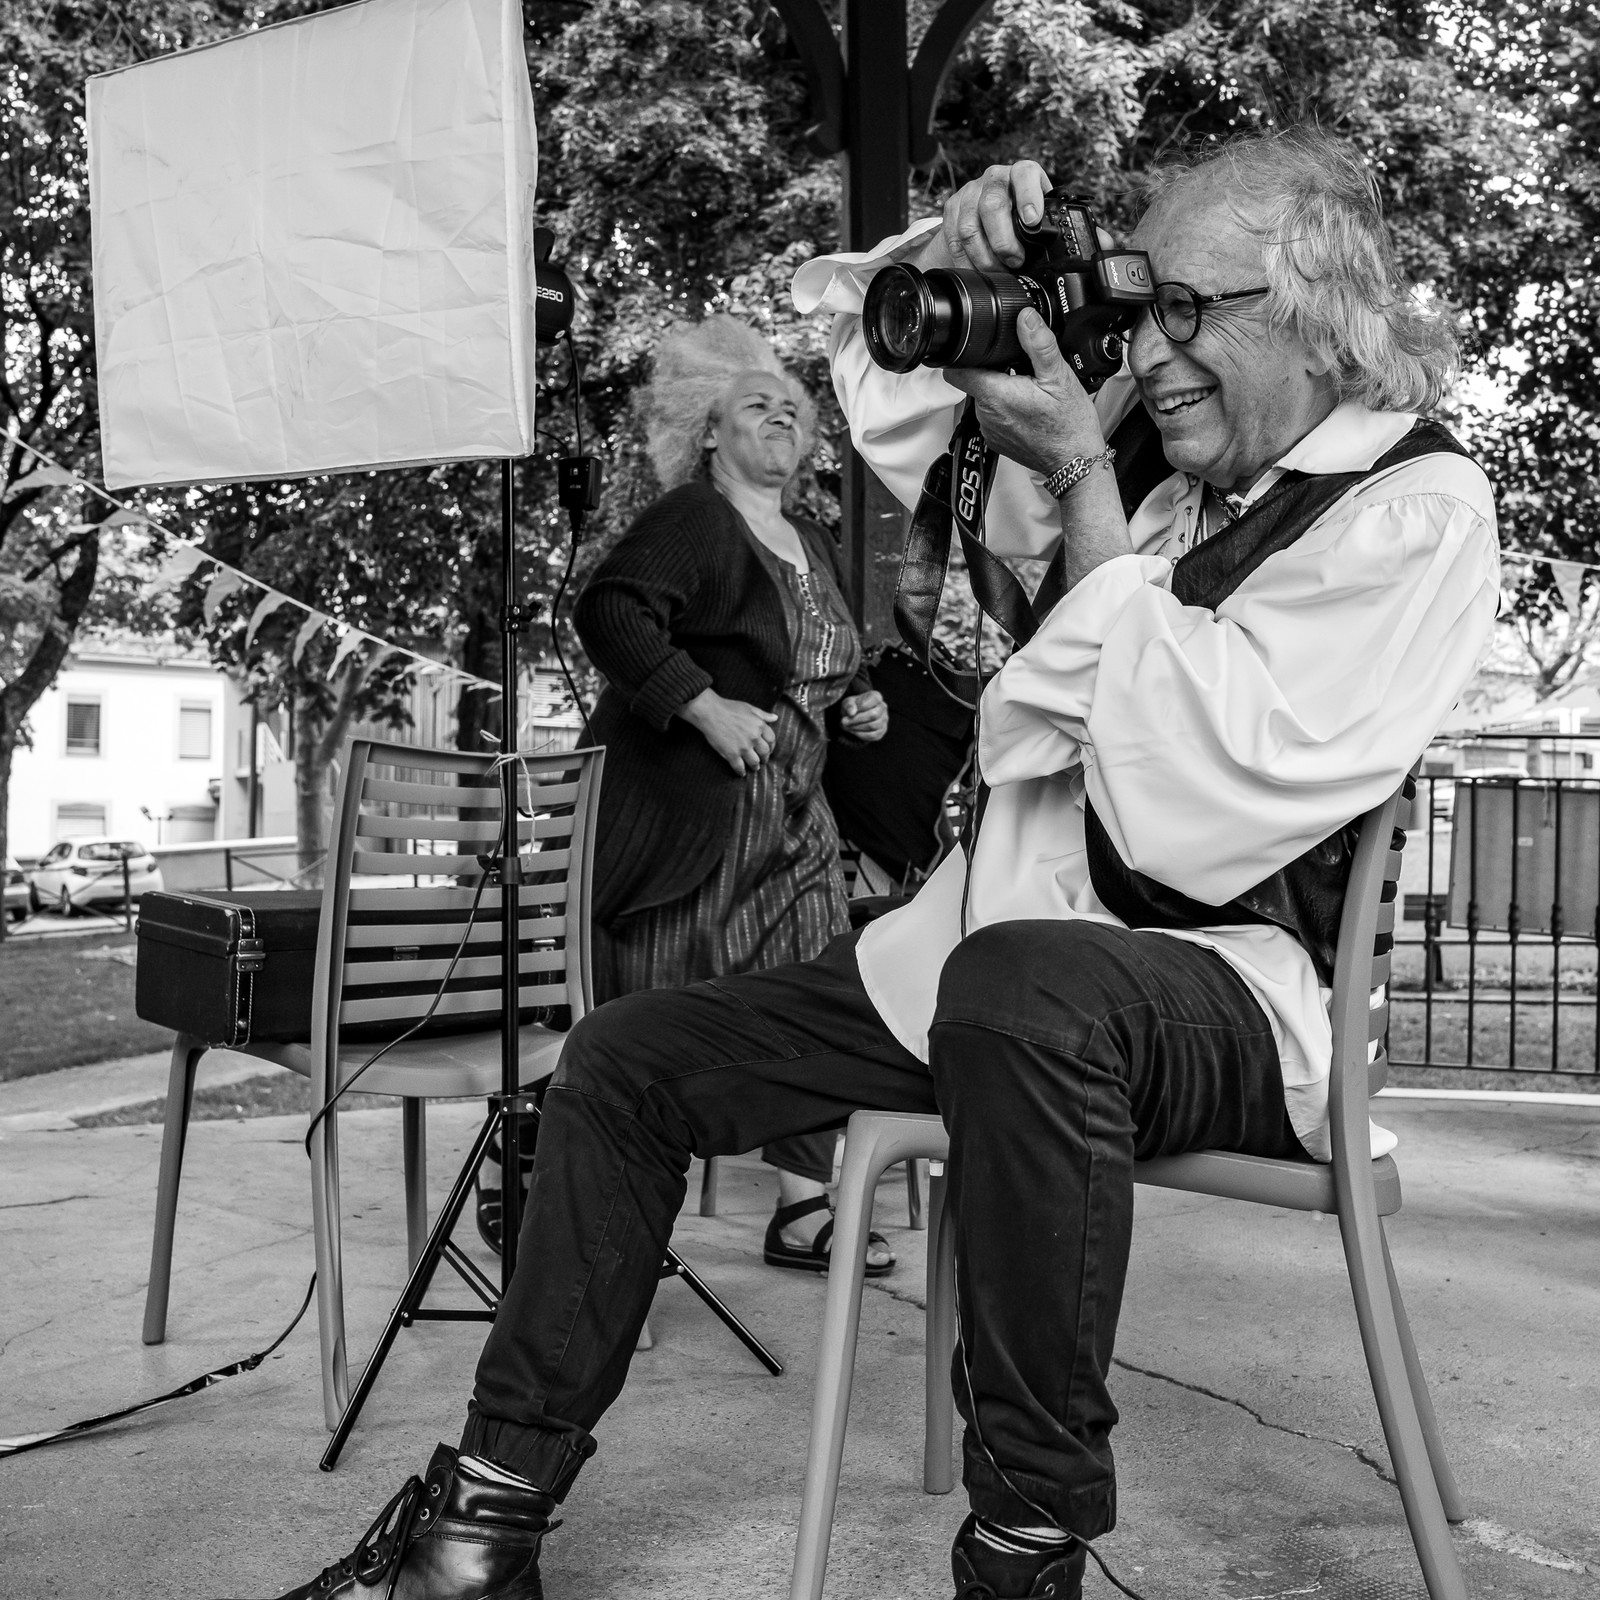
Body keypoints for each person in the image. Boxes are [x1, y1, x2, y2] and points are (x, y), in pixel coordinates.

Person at [234, 128, 1498, 1600]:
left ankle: (1022, 1551)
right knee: (626, 1056)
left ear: (1321, 312)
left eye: (1180, 310)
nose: (1147, 351)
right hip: (985, 965)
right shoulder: (1167, 479)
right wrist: (956, 264)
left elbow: (1194, 815)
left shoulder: (1412, 510)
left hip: (1233, 993)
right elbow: (923, 430)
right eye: (1134, 304)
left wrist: (1085, 482)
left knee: (1022, 988)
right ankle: (479, 1528)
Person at [475, 314, 898, 1277]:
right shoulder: (695, 517)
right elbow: (611, 610)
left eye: (792, 407)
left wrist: (861, 702)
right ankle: (558, 1176)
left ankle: (802, 1205)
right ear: (708, 431)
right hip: (692, 820)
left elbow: (822, 660)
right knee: (661, 1000)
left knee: (813, 995)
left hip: (796, 819)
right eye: (757, 404)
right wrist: (702, 707)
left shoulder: (812, 540)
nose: (783, 417)